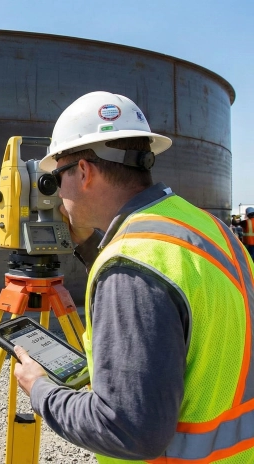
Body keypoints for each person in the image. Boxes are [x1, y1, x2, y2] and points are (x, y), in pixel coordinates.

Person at [13, 91, 254, 462]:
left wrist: (41, 390)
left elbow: (127, 430)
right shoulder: (208, 229)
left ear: (83, 171)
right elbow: (168, 291)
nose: (57, 193)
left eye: (57, 177)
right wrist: (88, 244)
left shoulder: (130, 266)